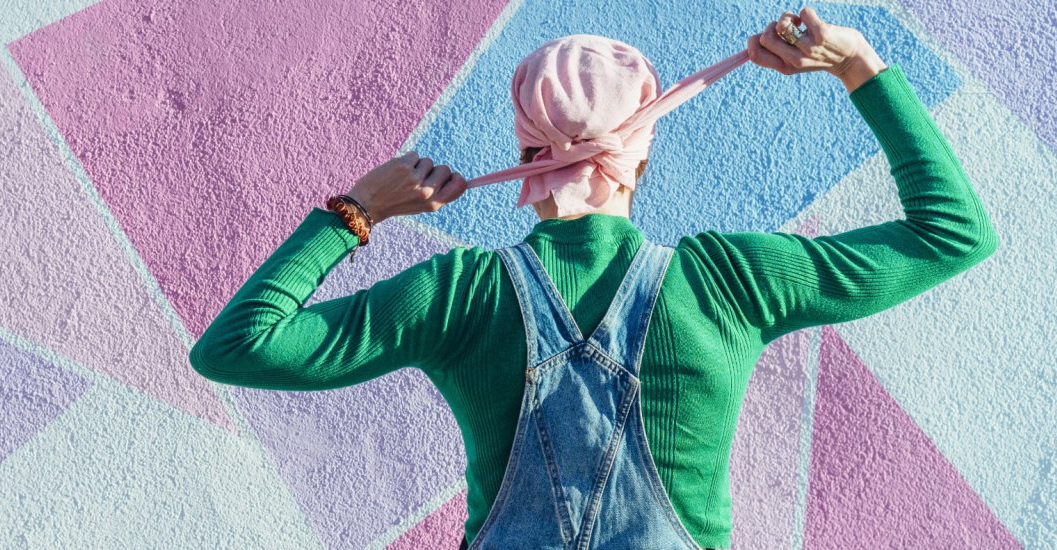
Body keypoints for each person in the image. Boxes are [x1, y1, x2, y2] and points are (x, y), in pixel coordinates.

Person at [189, 8, 995, 550]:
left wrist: (356, 210)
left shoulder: (458, 294)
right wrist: (857, 65)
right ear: (641, 148)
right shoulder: (731, 283)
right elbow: (953, 233)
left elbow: (234, 349)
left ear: (527, 149)